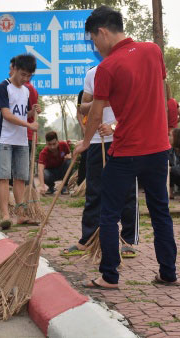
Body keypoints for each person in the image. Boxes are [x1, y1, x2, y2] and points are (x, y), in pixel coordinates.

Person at [73, 6, 178, 289]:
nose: (96, 46)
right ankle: (168, 272)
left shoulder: (107, 67)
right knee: (160, 212)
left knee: (109, 213)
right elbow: (159, 87)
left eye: (94, 40)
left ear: (102, 32)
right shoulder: (153, 51)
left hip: (127, 150)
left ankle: (109, 275)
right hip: (158, 148)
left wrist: (84, 143)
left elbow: (94, 113)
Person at [64, 65, 140, 258]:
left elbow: (136, 108)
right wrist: (102, 101)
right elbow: (84, 106)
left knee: (127, 192)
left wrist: (114, 126)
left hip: (124, 140)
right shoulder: (93, 73)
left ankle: (127, 240)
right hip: (98, 140)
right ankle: (88, 238)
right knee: (94, 190)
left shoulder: (129, 70)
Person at [0, 53, 40, 230]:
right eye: (23, 74)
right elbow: (6, 114)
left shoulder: (27, 90)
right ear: (15, 69)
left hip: (21, 140)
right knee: (4, 177)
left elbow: (22, 113)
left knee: (20, 177)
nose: (25, 79)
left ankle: (21, 215)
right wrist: (29, 125)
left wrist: (32, 113)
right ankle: (5, 214)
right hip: (4, 138)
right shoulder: (3, 88)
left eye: (29, 76)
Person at [75, 89, 87, 186]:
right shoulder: (82, 93)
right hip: (87, 130)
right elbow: (78, 113)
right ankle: (81, 182)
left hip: (101, 131)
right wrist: (83, 128)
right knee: (85, 154)